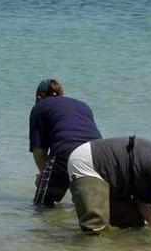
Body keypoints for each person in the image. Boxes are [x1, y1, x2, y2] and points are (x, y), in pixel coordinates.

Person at [66, 136, 151, 236]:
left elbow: (144, 205)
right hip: (90, 163)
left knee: (133, 224)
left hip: (117, 178)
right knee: (96, 229)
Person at [30, 78, 102, 206]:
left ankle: (44, 225)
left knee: (42, 205)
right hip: (97, 152)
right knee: (88, 204)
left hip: (65, 150)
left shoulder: (40, 107)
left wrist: (43, 176)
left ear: (40, 97)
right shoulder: (82, 105)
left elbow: (39, 152)